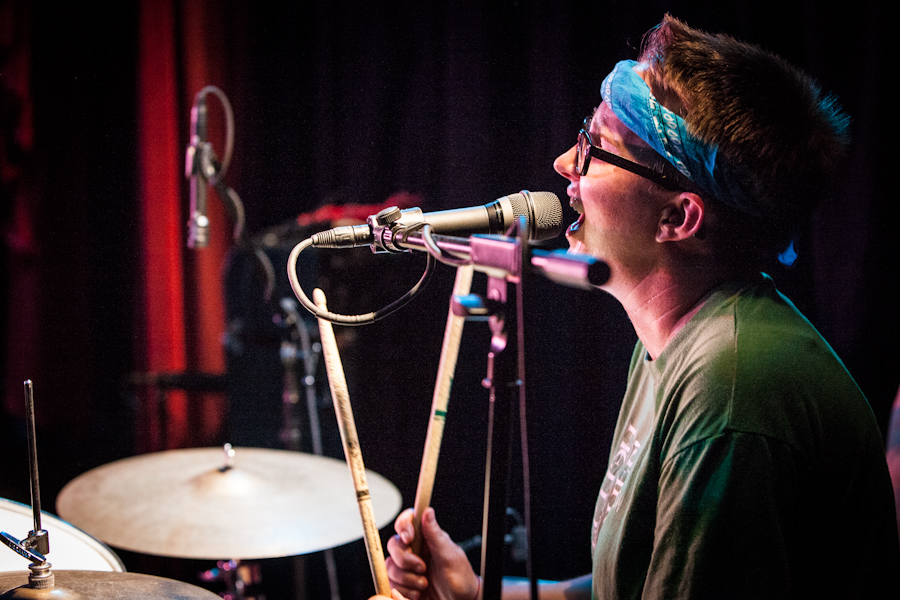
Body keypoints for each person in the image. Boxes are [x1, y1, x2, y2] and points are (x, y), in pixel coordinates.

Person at [374, 14, 900, 600]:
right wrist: (475, 593)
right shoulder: (680, 343)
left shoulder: (730, 388)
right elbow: (624, 584)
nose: (565, 164)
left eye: (594, 147)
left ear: (678, 217)